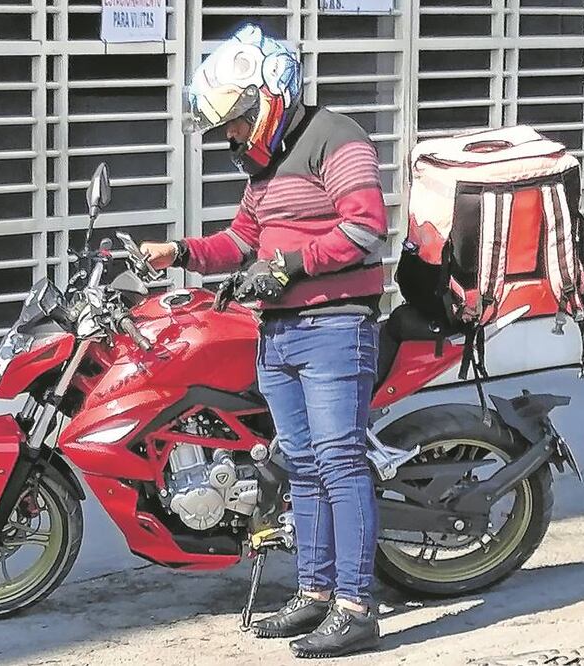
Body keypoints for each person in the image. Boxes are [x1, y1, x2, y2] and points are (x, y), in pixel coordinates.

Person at [139, 24, 389, 659]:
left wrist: (289, 267)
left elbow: (365, 228)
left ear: (269, 97)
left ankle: (357, 608)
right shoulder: (263, 166)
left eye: (235, 119)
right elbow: (240, 242)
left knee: (338, 464)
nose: (230, 134)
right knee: (300, 465)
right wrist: (179, 252)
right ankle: (315, 594)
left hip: (335, 328)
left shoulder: (338, 137)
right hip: (276, 333)